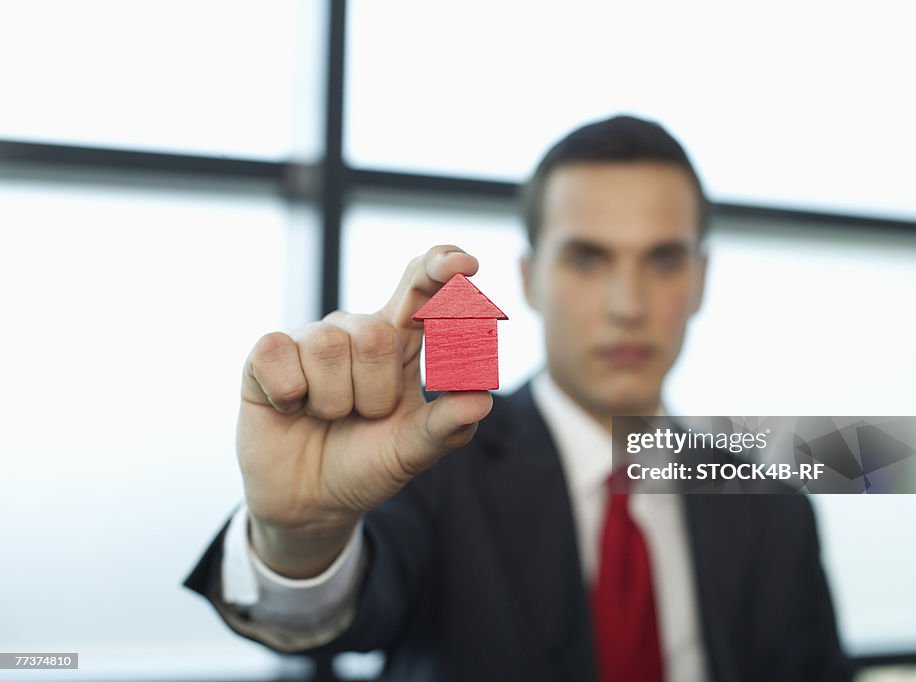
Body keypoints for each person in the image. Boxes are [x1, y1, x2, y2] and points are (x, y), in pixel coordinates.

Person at [184, 115, 853, 681]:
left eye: (663, 261)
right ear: (531, 280)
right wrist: (299, 535)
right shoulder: (435, 463)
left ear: (701, 280)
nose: (629, 306)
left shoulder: (770, 504)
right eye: (588, 260)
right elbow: (336, 617)